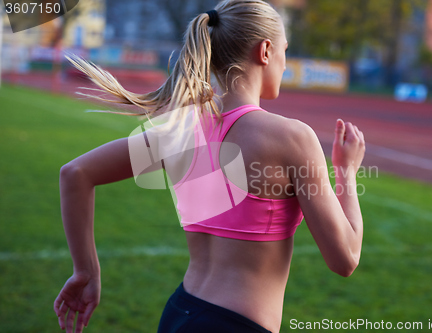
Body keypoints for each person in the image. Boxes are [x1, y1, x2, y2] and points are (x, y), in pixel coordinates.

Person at [53, 0, 365, 332]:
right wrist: (346, 171)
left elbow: (76, 173)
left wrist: (85, 271)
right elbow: (344, 258)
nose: (285, 65)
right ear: (266, 50)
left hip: (179, 313)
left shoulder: (180, 130)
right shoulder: (291, 138)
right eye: (285, 51)